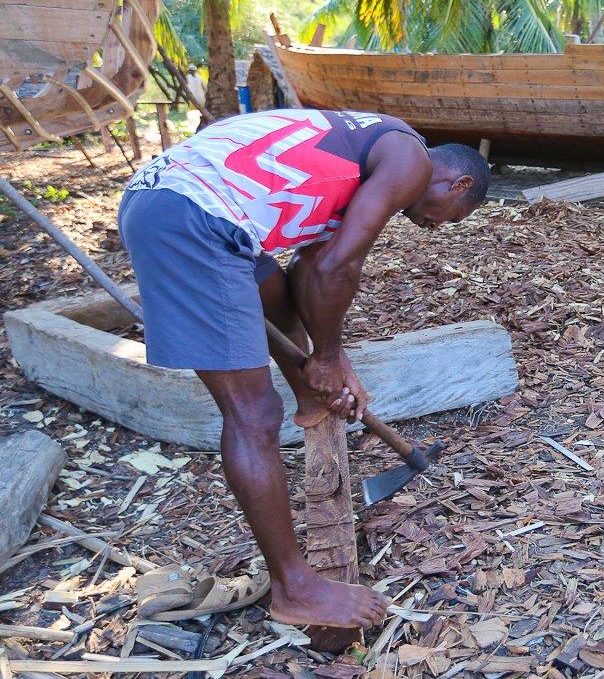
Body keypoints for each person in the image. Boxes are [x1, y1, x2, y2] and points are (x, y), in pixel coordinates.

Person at [117, 109, 490, 629]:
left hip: (187, 201)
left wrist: (332, 367)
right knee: (252, 413)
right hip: (193, 218)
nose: (432, 227)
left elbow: (313, 270)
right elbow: (341, 267)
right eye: (448, 217)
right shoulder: (410, 162)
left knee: (279, 302)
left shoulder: (371, 152)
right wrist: (330, 356)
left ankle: (312, 397)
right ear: (459, 182)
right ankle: (295, 589)